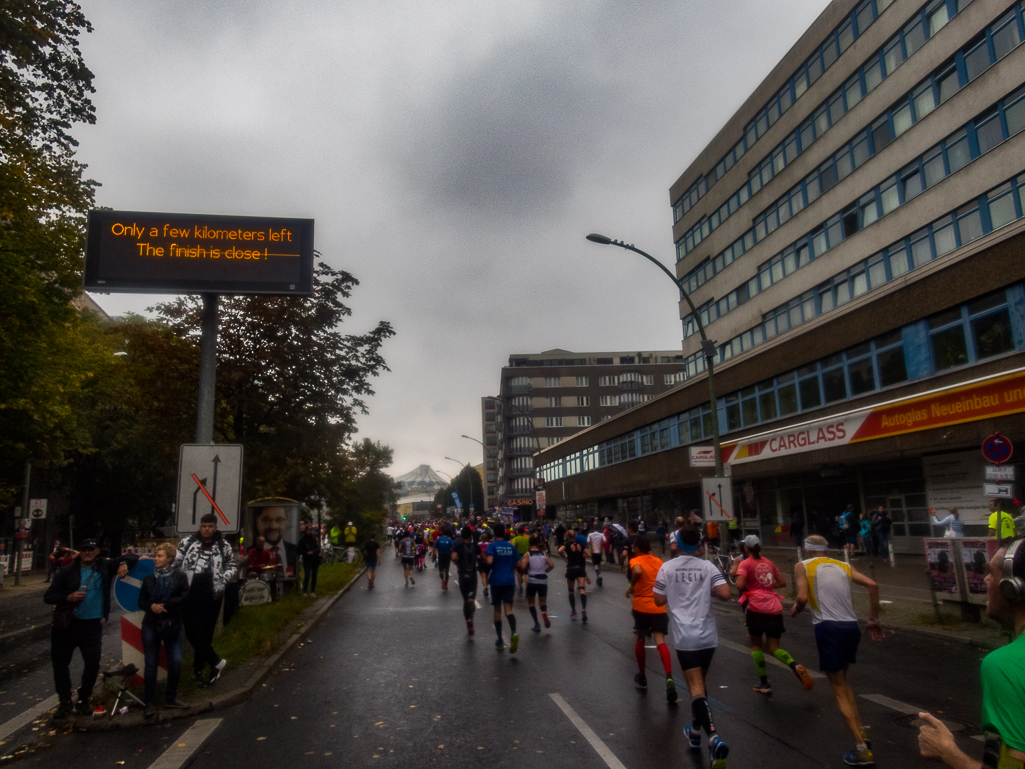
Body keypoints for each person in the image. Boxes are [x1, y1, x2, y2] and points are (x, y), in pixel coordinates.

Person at [917, 539, 1025, 769]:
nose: (985, 580)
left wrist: (949, 753)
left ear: (1012, 587)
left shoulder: (1004, 665)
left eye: (992, 573)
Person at [792, 535, 883, 768]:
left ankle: (861, 747)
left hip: (827, 627)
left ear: (806, 550)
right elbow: (873, 584)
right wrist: (873, 619)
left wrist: (797, 608)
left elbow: (802, 597)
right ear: (827, 550)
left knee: (839, 687)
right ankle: (862, 735)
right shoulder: (844, 565)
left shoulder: (802, 566)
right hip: (850, 626)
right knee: (844, 681)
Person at [653, 525, 731, 768]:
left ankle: (714, 738)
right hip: (708, 636)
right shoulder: (708, 566)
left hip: (686, 637)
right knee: (701, 686)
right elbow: (726, 594)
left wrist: (674, 593)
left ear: (677, 544)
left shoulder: (667, 567)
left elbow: (658, 599)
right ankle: (695, 732)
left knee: (696, 688)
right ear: (698, 544)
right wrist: (708, 590)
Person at [45, 539, 135, 719]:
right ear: (80, 551)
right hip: (67, 625)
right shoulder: (67, 570)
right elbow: (48, 596)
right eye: (84, 549)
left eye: (91, 550)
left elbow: (132, 556)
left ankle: (83, 699)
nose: (87, 552)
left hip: (91, 625)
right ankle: (64, 702)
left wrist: (124, 563)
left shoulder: (104, 566)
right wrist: (68, 597)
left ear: (97, 552)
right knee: (61, 665)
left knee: (92, 664)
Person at [734, 535, 813, 696]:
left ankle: (764, 683)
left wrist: (750, 587)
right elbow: (782, 582)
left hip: (756, 608)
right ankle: (794, 666)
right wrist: (767, 587)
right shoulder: (769, 563)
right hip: (774, 608)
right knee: (774, 648)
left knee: (756, 646)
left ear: (746, 548)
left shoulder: (745, 563)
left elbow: (740, 585)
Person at [174, 514, 238, 687]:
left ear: (216, 527)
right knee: (192, 631)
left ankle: (199, 669)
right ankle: (216, 661)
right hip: (190, 592)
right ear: (200, 527)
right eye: (204, 526)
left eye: (210, 526)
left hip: (213, 594)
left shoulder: (223, 545)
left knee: (206, 633)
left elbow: (232, 565)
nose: (206, 529)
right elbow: (175, 562)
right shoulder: (188, 542)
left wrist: (222, 579)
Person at [138, 544, 190, 717]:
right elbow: (141, 601)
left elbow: (184, 596)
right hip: (151, 624)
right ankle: (150, 702)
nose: (156, 558)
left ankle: (171, 697)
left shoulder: (180, 577)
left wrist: (165, 606)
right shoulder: (149, 579)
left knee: (175, 661)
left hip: (172, 623)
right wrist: (151, 606)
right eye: (156, 555)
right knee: (151, 664)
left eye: (160, 556)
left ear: (169, 558)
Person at [626, 536, 676, 703]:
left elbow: (638, 571)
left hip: (641, 605)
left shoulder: (635, 560)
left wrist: (631, 588)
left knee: (640, 637)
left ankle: (642, 676)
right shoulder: (658, 562)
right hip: (657, 605)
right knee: (660, 639)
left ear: (638, 548)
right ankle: (669, 674)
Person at [486, 524, 520, 653]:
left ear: (494, 533)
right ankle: (513, 632)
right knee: (508, 610)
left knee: (497, 611)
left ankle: (500, 640)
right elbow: (519, 564)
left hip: (496, 581)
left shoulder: (492, 546)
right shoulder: (511, 547)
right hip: (509, 581)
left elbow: (489, 561)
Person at [520, 535, 554, 632]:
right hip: (543, 580)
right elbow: (552, 565)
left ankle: (537, 624)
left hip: (532, 580)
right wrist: (545, 571)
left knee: (531, 602)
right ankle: (544, 612)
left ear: (530, 543)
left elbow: (523, 567)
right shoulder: (544, 554)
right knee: (542, 602)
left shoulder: (528, 554)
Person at [255, 506, 297, 577]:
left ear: (286, 523)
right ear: (258, 523)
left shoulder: (294, 549)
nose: (273, 526)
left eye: (279, 520)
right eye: (266, 520)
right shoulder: (251, 552)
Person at [453, 527, 479, 635]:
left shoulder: (458, 546)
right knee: (471, 599)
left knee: (464, 600)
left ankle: (467, 620)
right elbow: (483, 557)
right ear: (471, 536)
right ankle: (471, 618)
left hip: (463, 575)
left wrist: (457, 562)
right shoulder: (475, 546)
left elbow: (453, 557)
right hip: (472, 574)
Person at [559, 530, 589, 623]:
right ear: (575, 536)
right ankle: (583, 609)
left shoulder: (567, 545)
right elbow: (589, 554)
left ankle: (573, 611)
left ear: (568, 537)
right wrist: (582, 556)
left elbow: (559, 550)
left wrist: (564, 556)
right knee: (582, 589)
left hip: (571, 568)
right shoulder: (580, 545)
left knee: (571, 591)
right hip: (580, 568)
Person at [297, 524, 321, 597]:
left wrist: (314, 552)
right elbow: (298, 550)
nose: (309, 532)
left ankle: (312, 591)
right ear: (305, 531)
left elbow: (317, 548)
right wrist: (306, 553)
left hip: (314, 559)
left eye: (310, 530)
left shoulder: (314, 539)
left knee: (314, 575)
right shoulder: (302, 539)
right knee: (307, 575)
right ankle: (305, 591)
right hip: (307, 560)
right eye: (308, 530)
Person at [510, 526, 531, 595]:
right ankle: (527, 588)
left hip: (518, 558)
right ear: (524, 532)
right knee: (526, 573)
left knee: (519, 573)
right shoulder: (527, 538)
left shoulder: (515, 539)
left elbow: (513, 547)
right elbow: (530, 547)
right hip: (527, 558)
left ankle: (520, 588)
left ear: (518, 532)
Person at [434, 527, 454, 591]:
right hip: (447, 556)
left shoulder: (439, 539)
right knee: (447, 571)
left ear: (442, 532)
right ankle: (446, 584)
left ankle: (443, 579)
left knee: (441, 571)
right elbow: (453, 548)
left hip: (441, 556)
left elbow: (434, 548)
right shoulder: (450, 540)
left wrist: (433, 556)